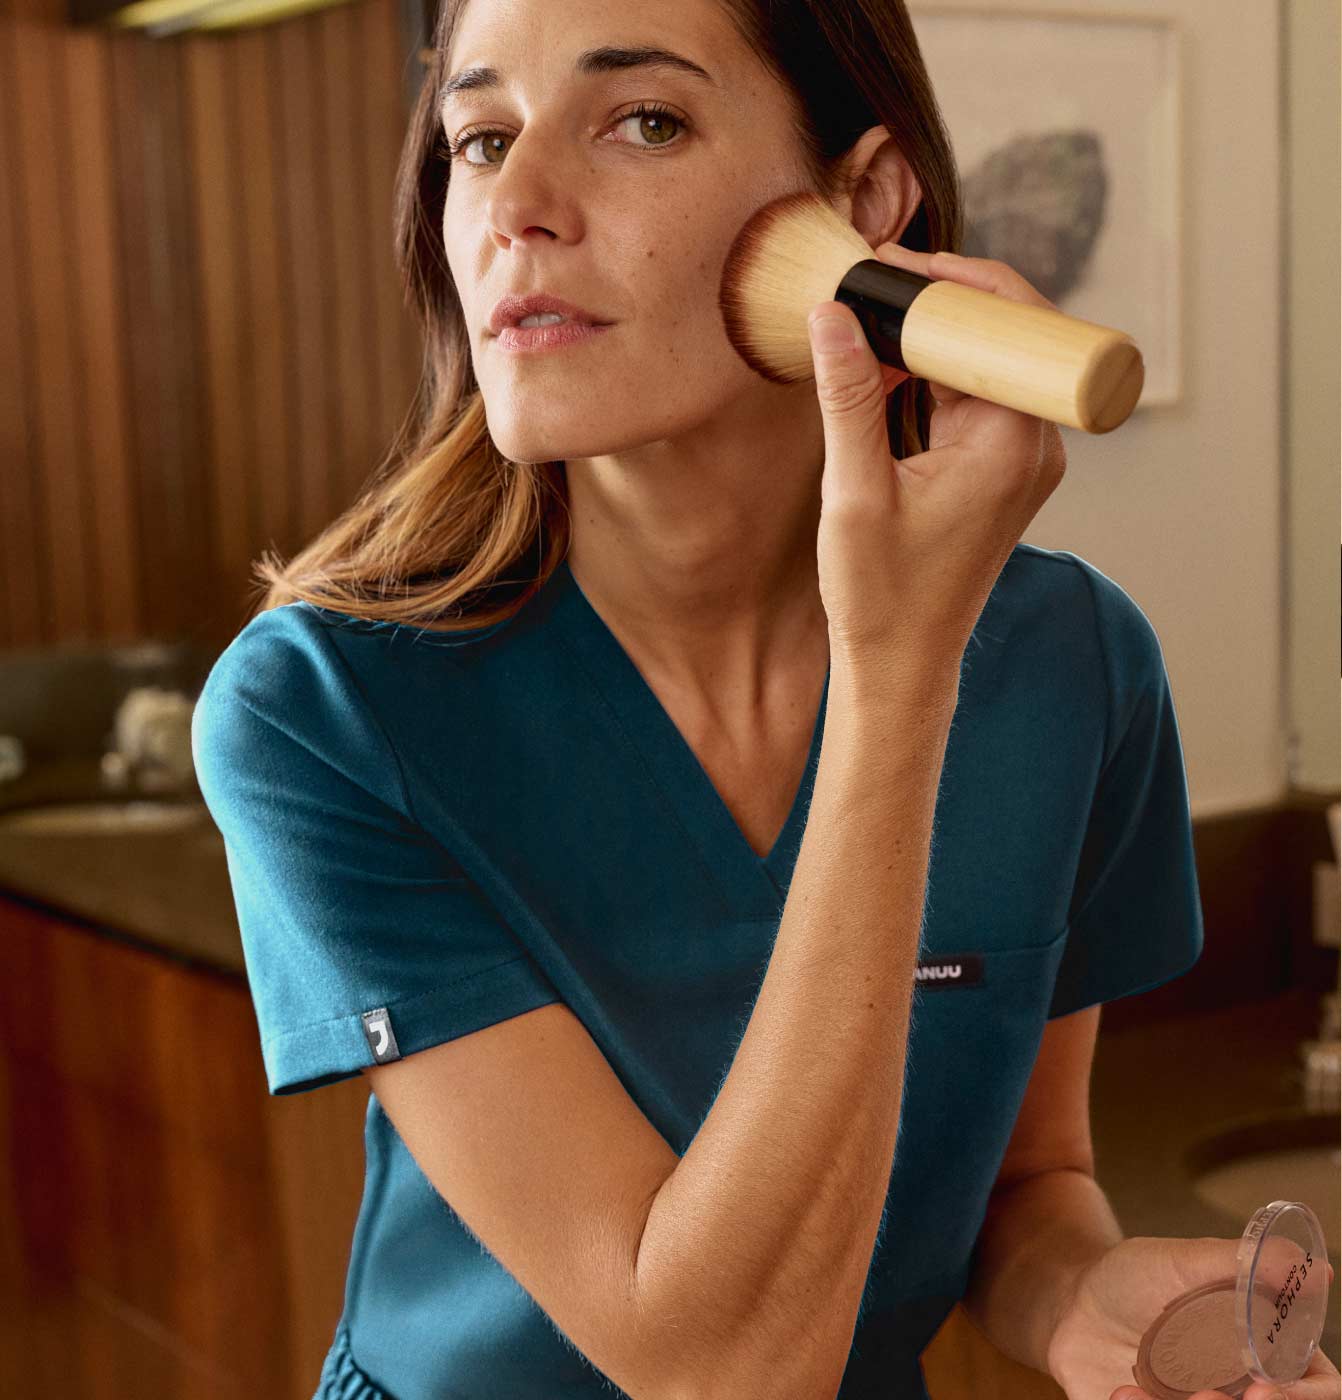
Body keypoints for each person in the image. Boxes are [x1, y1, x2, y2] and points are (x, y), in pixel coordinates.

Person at [192, 2, 1338, 1398]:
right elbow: (722, 1370)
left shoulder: (1068, 666)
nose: (517, 205)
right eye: (480, 139)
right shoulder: (325, 712)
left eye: (643, 122)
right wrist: (897, 678)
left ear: (862, 202)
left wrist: (1079, 1299)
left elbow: (1019, 1182)